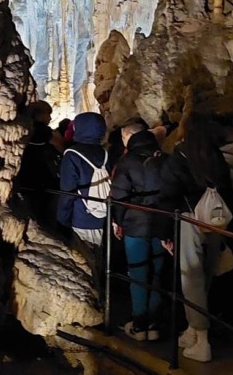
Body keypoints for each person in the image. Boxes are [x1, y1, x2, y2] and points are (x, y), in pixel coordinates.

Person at [166, 114, 233, 363]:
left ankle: (202, 340)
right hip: (215, 223)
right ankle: (192, 329)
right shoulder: (215, 156)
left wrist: (165, 233)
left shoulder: (179, 156)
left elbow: (167, 195)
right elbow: (228, 193)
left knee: (191, 278)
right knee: (206, 277)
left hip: (189, 221)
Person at [109, 129, 174, 341]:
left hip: (136, 225)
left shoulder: (127, 162)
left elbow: (119, 195)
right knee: (156, 273)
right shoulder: (165, 160)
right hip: (161, 223)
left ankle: (139, 324)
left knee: (138, 274)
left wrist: (117, 220)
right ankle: (153, 324)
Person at [57, 112, 109, 309]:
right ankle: (104, 298)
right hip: (103, 215)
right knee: (102, 259)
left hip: (82, 216)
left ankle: (92, 302)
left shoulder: (72, 155)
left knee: (85, 260)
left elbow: (68, 190)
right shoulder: (104, 153)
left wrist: (62, 217)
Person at [15, 122, 60, 228]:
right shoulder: (46, 149)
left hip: (27, 182)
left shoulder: (26, 148)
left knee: (34, 209)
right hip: (43, 183)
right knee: (45, 211)